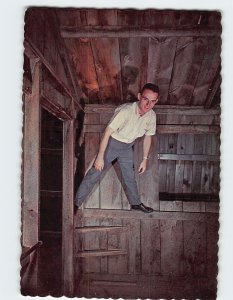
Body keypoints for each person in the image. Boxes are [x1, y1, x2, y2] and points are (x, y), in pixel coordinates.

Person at [74, 83, 159, 213]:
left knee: (129, 177)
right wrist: (100, 157)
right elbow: (107, 132)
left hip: (127, 146)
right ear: (139, 96)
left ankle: (135, 203)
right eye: (145, 99)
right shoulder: (125, 111)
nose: (148, 105)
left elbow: (148, 136)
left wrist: (145, 158)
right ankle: (75, 204)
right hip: (112, 144)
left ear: (156, 102)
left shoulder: (151, 115)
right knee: (94, 173)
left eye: (152, 102)